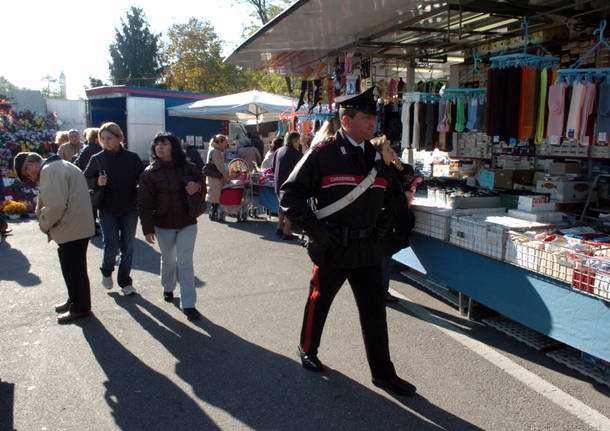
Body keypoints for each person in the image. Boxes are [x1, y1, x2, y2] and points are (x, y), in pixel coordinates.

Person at [280, 87, 417, 397]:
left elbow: (394, 193)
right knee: (320, 300)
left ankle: (383, 374)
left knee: (374, 311)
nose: (373, 124)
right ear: (346, 119)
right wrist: (315, 229)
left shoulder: (376, 155)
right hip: (333, 245)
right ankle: (307, 349)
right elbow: (290, 194)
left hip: (368, 247)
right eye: (367, 118)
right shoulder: (323, 154)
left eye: (373, 118)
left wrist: (387, 225)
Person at [13, 151, 95, 323]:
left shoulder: (50, 170)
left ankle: (80, 307)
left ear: (29, 166)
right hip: (77, 227)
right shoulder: (62, 165)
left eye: (28, 175)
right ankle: (75, 300)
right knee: (75, 270)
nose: (31, 178)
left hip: (70, 229)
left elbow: (55, 206)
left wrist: (44, 224)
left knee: (74, 271)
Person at [138, 132, 206, 321]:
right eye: (157, 144)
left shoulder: (189, 167)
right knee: (168, 259)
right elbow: (144, 203)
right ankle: (168, 287)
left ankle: (189, 303)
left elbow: (203, 183)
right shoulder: (150, 172)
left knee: (185, 262)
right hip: (163, 223)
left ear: (173, 147)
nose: (159, 147)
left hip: (187, 222)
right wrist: (147, 228)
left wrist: (197, 187)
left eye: (164, 143)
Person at [84, 122, 144, 296]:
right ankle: (106, 270)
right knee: (111, 245)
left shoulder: (132, 158)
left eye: (109, 138)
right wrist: (96, 182)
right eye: (103, 139)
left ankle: (125, 282)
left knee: (128, 247)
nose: (106, 142)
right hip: (107, 208)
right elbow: (84, 178)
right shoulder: (97, 158)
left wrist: (140, 192)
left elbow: (143, 179)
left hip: (129, 208)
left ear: (119, 138)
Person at [370, 135, 415, 304]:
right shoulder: (378, 171)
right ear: (379, 152)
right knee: (383, 258)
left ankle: (381, 291)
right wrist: (403, 196)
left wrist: (397, 162)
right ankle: (380, 292)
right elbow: (381, 198)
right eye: (388, 148)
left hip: (391, 223)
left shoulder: (390, 168)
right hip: (384, 223)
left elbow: (408, 175)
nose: (392, 150)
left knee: (385, 258)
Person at [273, 131, 302, 240]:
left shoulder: (278, 151)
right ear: (295, 141)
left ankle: (279, 227)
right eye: (298, 141)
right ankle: (287, 231)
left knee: (281, 207)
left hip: (278, 183)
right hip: (289, 184)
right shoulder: (296, 153)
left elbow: (272, 168)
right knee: (289, 208)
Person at [205, 134, 230, 222]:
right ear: (220, 142)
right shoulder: (216, 151)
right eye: (225, 142)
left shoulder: (212, 149)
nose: (226, 145)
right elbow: (220, 167)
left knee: (214, 197)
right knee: (216, 197)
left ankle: (213, 214)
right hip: (216, 178)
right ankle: (214, 214)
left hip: (212, 177)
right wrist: (227, 177)